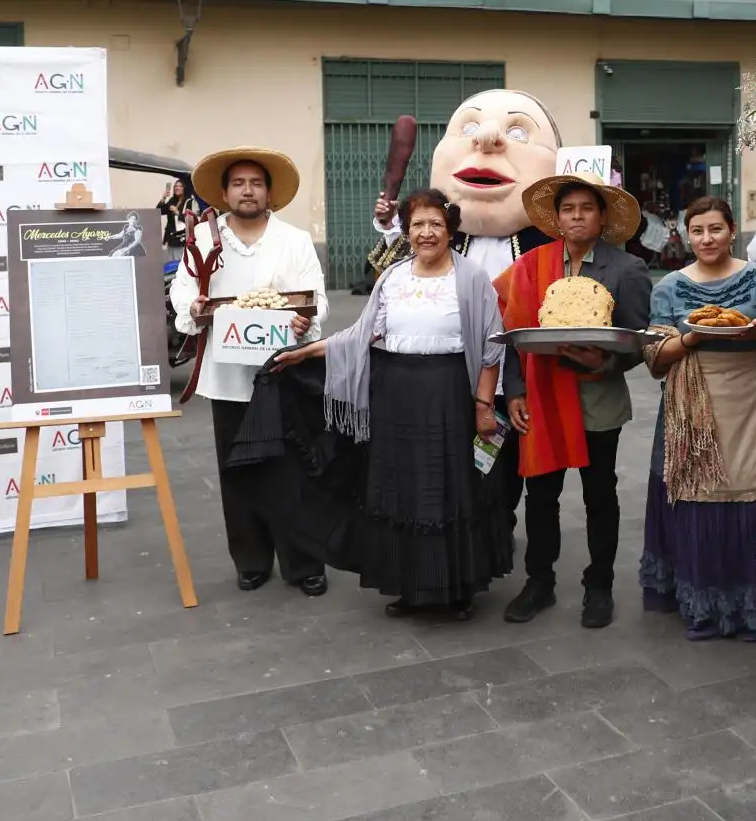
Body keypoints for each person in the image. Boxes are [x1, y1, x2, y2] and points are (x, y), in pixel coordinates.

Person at [278, 189, 511, 619]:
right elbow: (362, 334)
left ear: (450, 230)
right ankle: (411, 586)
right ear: (406, 230)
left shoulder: (472, 278)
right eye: (418, 224)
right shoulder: (392, 277)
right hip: (395, 395)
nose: (426, 233)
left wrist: (483, 405)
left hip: (448, 392)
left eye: (435, 224)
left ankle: (455, 589)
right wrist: (306, 352)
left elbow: (492, 348)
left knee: (447, 488)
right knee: (403, 489)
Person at [373, 90, 563, 539]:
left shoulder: (543, 245)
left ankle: (501, 529)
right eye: (472, 128)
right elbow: (387, 272)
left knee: (507, 463)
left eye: (515, 131)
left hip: (512, 379)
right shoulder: (446, 237)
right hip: (449, 377)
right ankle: (474, 532)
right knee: (460, 464)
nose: (490, 139)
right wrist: (388, 224)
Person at [170, 146, 331, 596]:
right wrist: (195, 307)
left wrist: (305, 321)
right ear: (224, 193)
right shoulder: (204, 241)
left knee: (293, 469)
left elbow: (313, 299)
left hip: (282, 373)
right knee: (236, 472)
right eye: (238, 183)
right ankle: (251, 559)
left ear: (269, 192)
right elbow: (183, 294)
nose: (247, 191)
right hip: (226, 378)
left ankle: (303, 563)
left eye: (255, 183)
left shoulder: (294, 241)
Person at [495, 170, 650, 629]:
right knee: (541, 494)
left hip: (598, 397)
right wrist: (516, 392)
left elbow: (639, 341)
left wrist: (601, 362)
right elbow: (511, 333)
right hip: (541, 396)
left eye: (587, 208)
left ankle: (598, 585)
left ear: (602, 217)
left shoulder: (628, 270)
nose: (577, 216)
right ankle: (538, 582)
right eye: (569, 209)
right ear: (557, 219)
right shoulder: (531, 265)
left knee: (599, 493)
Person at [640, 196, 756, 640]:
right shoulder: (668, 287)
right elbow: (654, 358)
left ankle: (755, 607)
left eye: (715, 229)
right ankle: (704, 607)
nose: (707, 239)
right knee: (700, 495)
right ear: (686, 234)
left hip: (753, 398)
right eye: (698, 230)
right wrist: (692, 338)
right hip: (693, 400)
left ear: (732, 229)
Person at [158, 177, 201, 250]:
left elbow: (192, 221)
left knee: (182, 260)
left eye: (180, 186)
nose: (177, 188)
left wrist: (178, 213)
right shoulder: (172, 201)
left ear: (184, 188)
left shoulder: (189, 202)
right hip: (171, 239)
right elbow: (159, 211)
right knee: (172, 261)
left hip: (183, 240)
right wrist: (163, 198)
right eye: (175, 186)